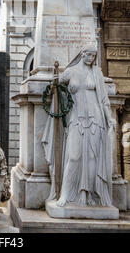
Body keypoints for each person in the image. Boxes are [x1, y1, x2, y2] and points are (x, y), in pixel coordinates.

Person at [43, 46, 116, 207]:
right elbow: (54, 87)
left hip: (96, 119)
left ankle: (87, 194)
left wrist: (110, 119)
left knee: (92, 159)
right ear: (82, 54)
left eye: (93, 55)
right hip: (76, 118)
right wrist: (54, 83)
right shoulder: (71, 72)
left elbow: (104, 99)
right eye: (88, 54)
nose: (91, 58)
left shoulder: (97, 73)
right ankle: (65, 195)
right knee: (74, 157)